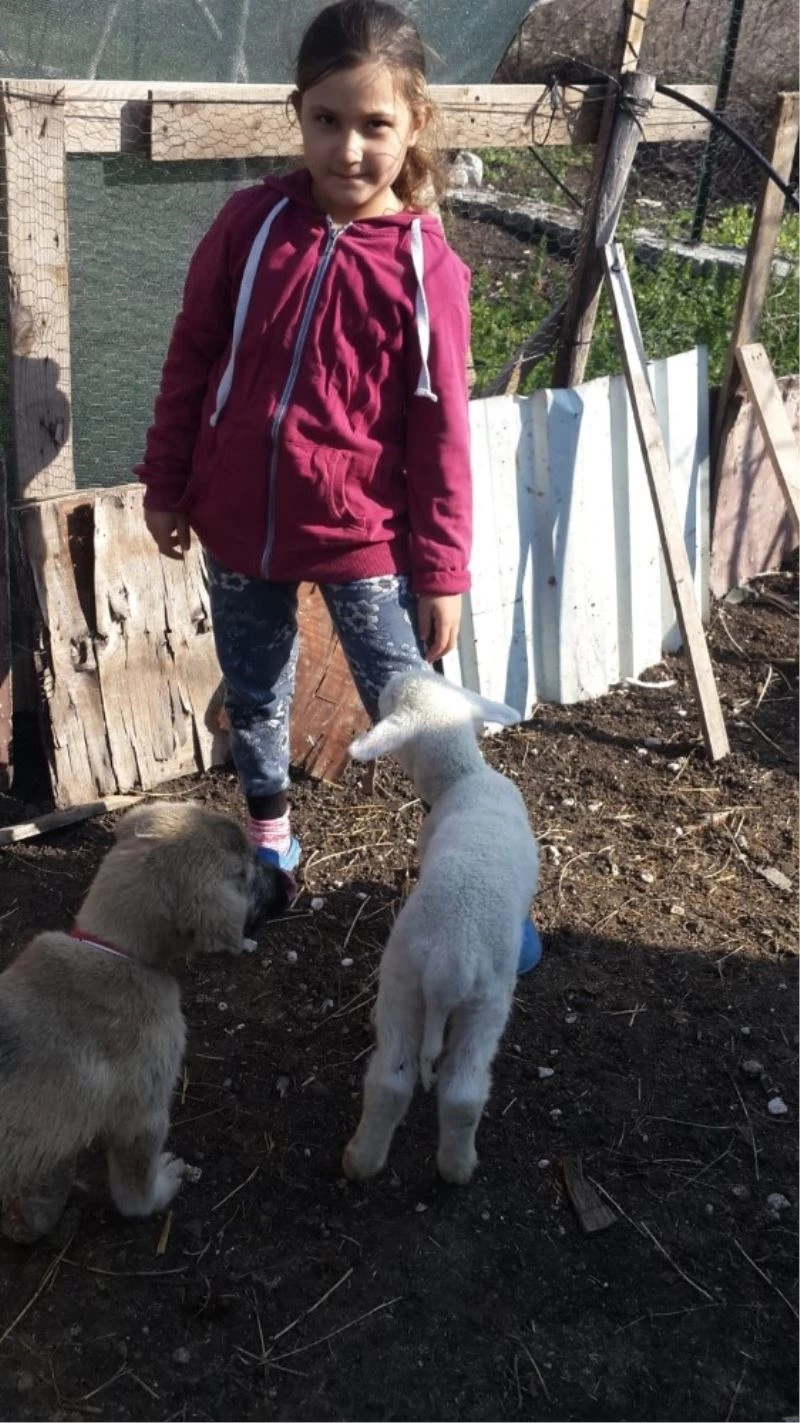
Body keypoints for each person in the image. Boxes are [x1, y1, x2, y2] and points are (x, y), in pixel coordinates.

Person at [136, 0, 541, 973]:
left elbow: (440, 431)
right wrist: (168, 480)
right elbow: (193, 355)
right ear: (298, 114)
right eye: (327, 119)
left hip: (363, 536)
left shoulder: (424, 267)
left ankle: (480, 874)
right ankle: (271, 841)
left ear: (413, 126)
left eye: (374, 124)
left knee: (420, 709)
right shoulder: (251, 225)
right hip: (238, 523)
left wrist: (440, 571)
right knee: (255, 690)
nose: (348, 148)